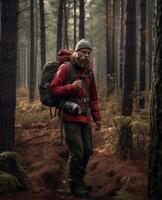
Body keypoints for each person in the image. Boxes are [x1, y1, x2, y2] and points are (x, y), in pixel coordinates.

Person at [49, 39, 101, 197]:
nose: (86, 56)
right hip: (70, 117)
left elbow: (93, 97)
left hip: (85, 117)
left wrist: (97, 117)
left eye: (89, 53)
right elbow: (53, 90)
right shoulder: (66, 68)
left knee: (88, 150)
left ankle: (80, 178)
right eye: (83, 52)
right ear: (76, 52)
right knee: (77, 152)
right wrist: (71, 87)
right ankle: (74, 184)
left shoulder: (89, 71)